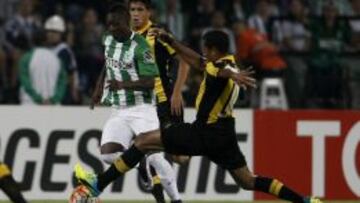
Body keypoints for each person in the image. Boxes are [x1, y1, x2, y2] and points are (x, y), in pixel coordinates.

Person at [71, 7, 322, 203]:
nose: (204, 54)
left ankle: (98, 184)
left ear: (213, 50)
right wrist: (172, 41)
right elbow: (199, 61)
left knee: (142, 142)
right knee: (248, 181)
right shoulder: (224, 60)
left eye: (205, 49)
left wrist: (231, 74)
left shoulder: (221, 66)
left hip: (203, 132)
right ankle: (302, 199)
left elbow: (216, 69)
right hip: (225, 136)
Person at [83, 3, 181, 203]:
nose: (111, 28)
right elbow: (108, 62)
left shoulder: (140, 46)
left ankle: (176, 199)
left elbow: (149, 81)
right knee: (108, 155)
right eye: (109, 24)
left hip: (143, 109)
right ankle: (140, 163)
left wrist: (123, 84)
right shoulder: (108, 39)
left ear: (126, 22)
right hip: (118, 110)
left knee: (156, 158)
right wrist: (98, 87)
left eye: (115, 24)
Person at [128, 0, 189, 202]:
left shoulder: (157, 34)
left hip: (167, 102)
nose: (135, 14)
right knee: (150, 154)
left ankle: (145, 161)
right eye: (132, 10)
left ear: (149, 12)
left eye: (139, 10)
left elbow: (184, 60)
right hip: (143, 105)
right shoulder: (127, 38)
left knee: (181, 158)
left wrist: (178, 92)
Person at [18, 30, 67, 105]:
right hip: (53, 106)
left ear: (32, 41)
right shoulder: (57, 60)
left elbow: (25, 82)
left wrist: (38, 99)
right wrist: (54, 99)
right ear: (47, 41)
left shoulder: (26, 58)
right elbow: (62, 83)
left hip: (30, 104)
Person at [44, 15, 80, 105]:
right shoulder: (44, 49)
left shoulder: (64, 51)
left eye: (55, 32)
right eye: (49, 31)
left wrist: (73, 92)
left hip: (62, 90)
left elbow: (71, 74)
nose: (51, 34)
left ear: (61, 34)